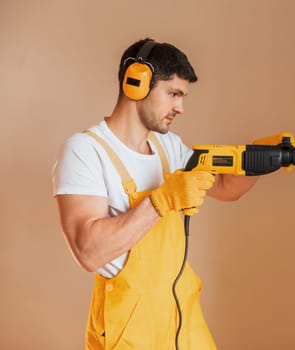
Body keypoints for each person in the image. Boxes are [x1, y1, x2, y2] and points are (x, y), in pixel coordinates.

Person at [52, 38, 259, 350]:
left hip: (184, 320)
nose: (180, 107)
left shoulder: (169, 147)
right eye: (173, 94)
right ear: (136, 82)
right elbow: (88, 251)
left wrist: (261, 159)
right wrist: (162, 200)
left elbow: (226, 187)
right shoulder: (85, 151)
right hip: (130, 331)